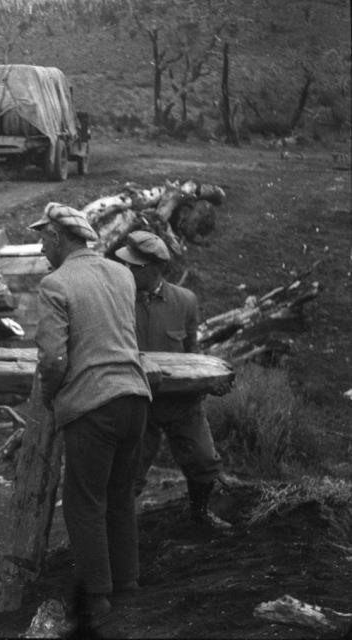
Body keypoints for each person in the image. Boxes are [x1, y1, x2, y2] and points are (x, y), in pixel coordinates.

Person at [29, 203, 152, 622]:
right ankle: (127, 583)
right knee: (119, 494)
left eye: (44, 238)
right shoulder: (121, 274)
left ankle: (97, 597)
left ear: (62, 238)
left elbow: (51, 359)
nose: (41, 246)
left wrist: (51, 396)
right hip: (135, 396)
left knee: (84, 502)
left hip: (93, 405)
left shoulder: (55, 284)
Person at [114, 230, 230, 530]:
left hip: (181, 401)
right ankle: (119, 531)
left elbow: (192, 353)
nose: (126, 269)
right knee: (129, 472)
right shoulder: (116, 300)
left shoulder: (185, 301)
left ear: (153, 269)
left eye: (133, 265)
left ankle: (200, 513)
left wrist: (208, 383)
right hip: (138, 400)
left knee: (203, 461)